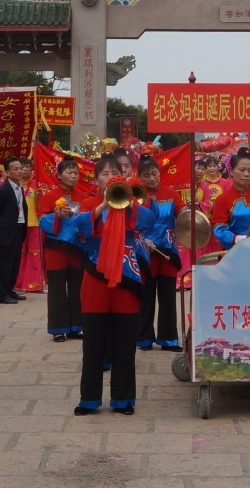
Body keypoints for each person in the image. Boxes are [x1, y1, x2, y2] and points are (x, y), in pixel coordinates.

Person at [71, 155, 156, 415]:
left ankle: (123, 398)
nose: (109, 178)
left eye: (114, 173)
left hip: (127, 279)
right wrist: (104, 206)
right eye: (104, 174)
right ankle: (89, 399)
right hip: (96, 279)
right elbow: (79, 227)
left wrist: (127, 200)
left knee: (124, 341)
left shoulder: (133, 205)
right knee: (93, 341)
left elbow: (149, 220)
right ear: (97, 181)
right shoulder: (89, 203)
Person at [135, 155, 184, 352]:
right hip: (145, 251)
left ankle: (168, 339)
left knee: (167, 296)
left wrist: (188, 214)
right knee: (146, 296)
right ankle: (144, 338)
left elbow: (182, 217)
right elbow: (131, 223)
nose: (152, 178)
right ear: (139, 177)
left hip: (167, 252)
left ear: (159, 173)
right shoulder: (136, 197)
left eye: (154, 173)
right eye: (146, 176)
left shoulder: (172, 194)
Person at [37, 158, 89, 341]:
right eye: (69, 172)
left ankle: (76, 327)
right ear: (59, 175)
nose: (73, 176)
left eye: (76, 173)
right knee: (57, 288)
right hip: (56, 248)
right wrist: (57, 215)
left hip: (76, 247)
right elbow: (42, 221)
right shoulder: (49, 197)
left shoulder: (83, 197)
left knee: (77, 287)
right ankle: (58, 328)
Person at [0, 157, 29, 305]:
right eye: (15, 169)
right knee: (4, 264)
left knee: (14, 263)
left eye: (21, 168)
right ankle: (2, 294)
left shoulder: (20, 187)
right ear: (7, 172)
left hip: (19, 228)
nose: (20, 171)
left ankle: (9, 289)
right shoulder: (2, 191)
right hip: (5, 232)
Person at [15, 159, 45, 293]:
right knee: (19, 253)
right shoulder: (15, 184)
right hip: (19, 223)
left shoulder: (37, 184)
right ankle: (18, 282)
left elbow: (43, 205)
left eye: (27, 167)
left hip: (34, 223)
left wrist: (40, 196)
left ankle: (33, 284)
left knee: (34, 254)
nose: (24, 170)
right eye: (22, 168)